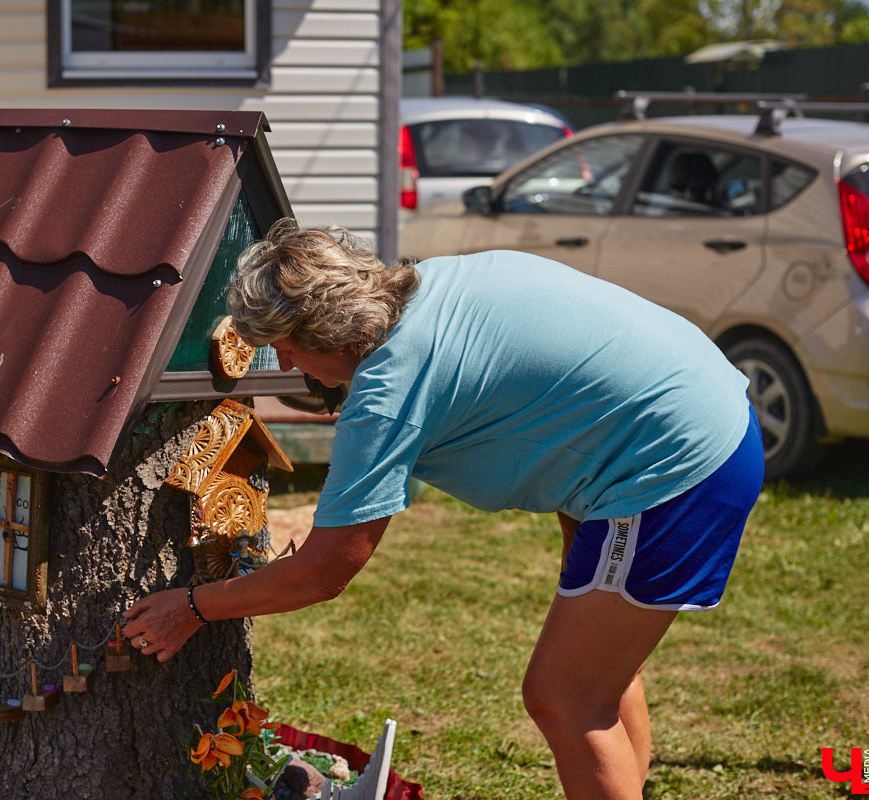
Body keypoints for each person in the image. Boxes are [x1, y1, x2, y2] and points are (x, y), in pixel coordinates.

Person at [124, 218, 764, 800]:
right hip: (690, 408)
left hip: (675, 463)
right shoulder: (432, 285)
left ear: (328, 328)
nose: (283, 362)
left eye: (286, 346)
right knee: (599, 676)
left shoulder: (391, 386)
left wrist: (193, 606)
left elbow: (325, 570)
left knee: (565, 695)